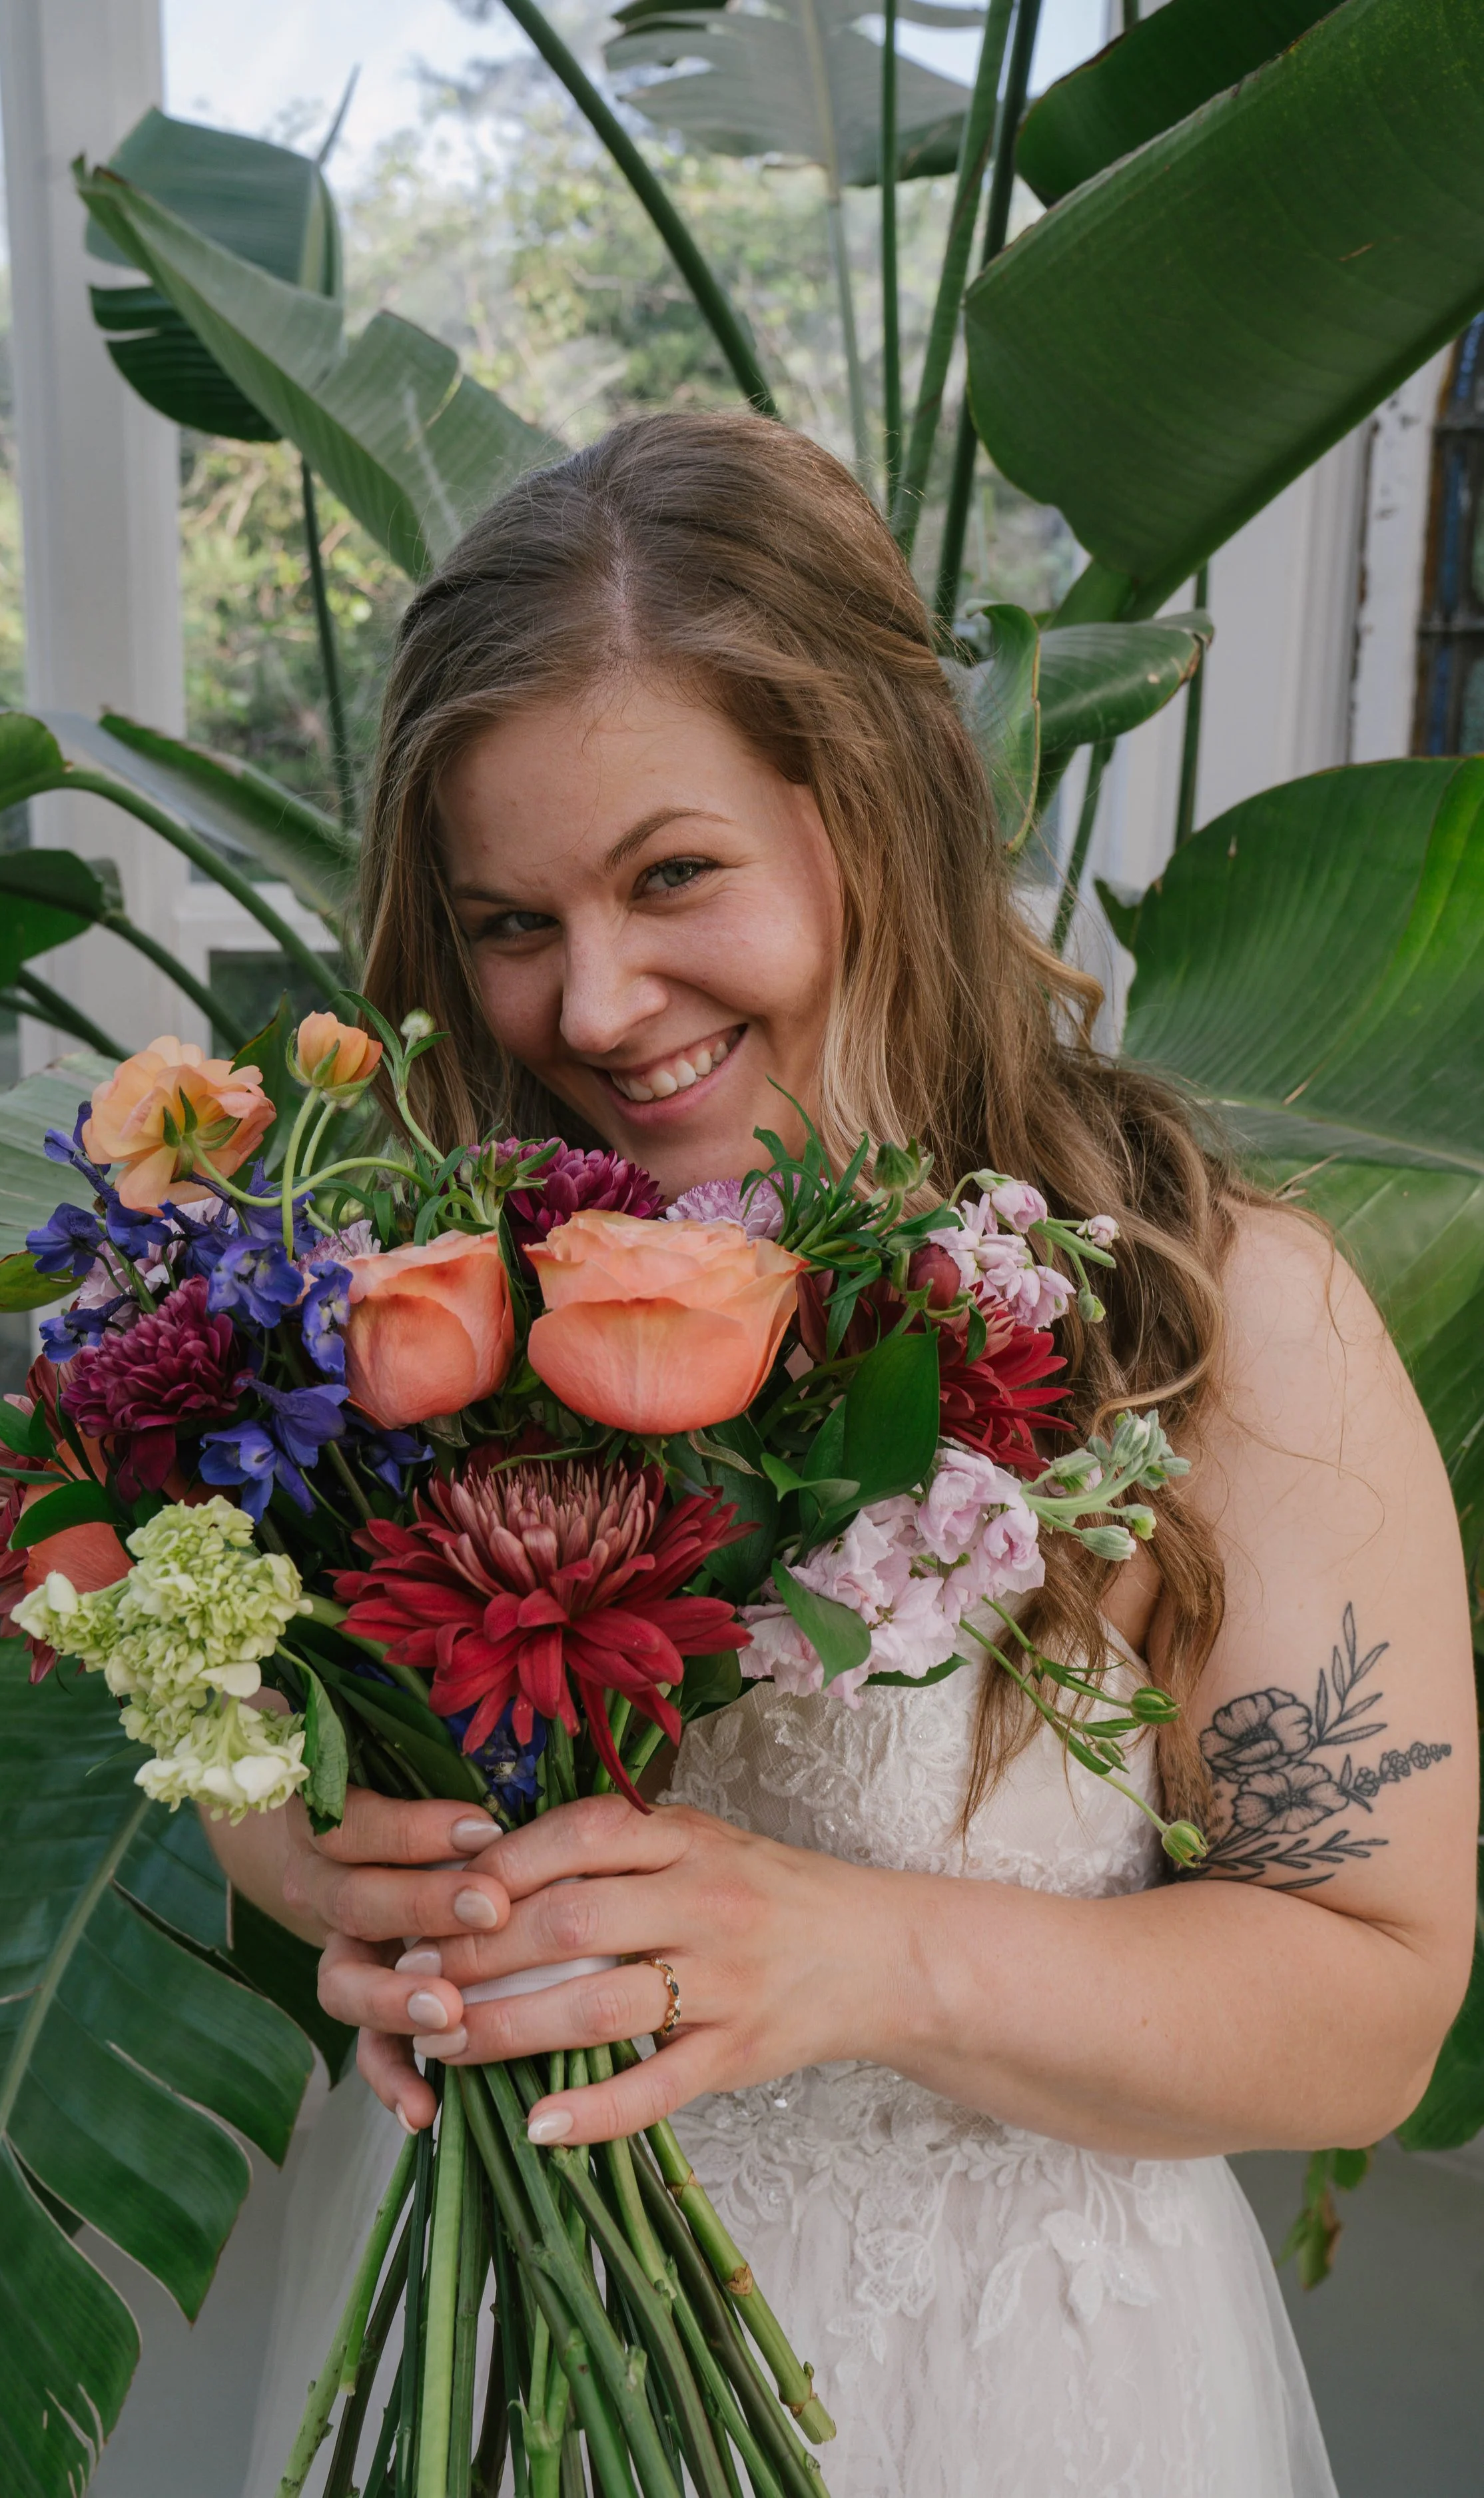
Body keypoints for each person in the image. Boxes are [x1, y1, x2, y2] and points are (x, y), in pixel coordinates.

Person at [218, 412, 1475, 2497]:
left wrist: (862, 1954)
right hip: (491, 2358)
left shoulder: (1211, 1307)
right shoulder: (426, 1291)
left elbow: (1369, 1999)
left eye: (672, 874)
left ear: (871, 809)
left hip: (999, 2397)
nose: (595, 1001)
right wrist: (301, 1840)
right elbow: (269, 1721)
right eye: (509, 920)